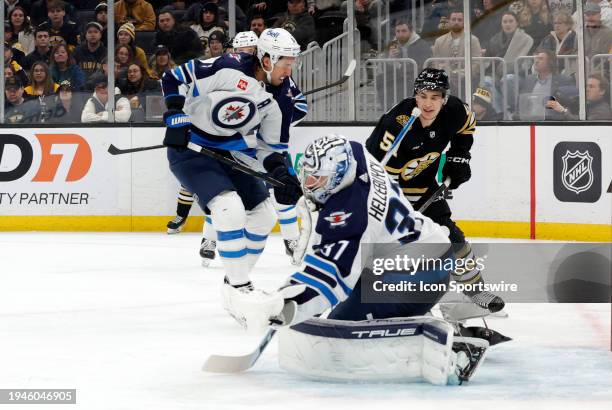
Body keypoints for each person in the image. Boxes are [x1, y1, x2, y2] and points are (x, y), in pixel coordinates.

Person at [219, 134, 490, 385]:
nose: (311, 185)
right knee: (352, 300)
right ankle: (411, 314)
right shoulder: (355, 153)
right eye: (309, 178)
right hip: (420, 253)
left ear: (338, 174)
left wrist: (284, 304)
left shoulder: (351, 216)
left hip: (416, 275)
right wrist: (302, 188)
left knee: (341, 328)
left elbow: (328, 280)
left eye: (318, 180)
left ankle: (453, 349)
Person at [160, 28, 303, 316]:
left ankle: (234, 285)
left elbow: (267, 149)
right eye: (285, 64)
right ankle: (241, 287)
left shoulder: (281, 100)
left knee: (263, 217)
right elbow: (172, 79)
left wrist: (280, 172)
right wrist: (175, 116)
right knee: (228, 208)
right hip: (190, 150)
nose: (289, 72)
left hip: (232, 153)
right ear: (266, 59)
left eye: (291, 65)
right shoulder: (227, 67)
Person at [365, 68, 505, 314]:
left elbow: (466, 129)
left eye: (435, 97)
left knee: (453, 239)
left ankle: (475, 290)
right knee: (393, 249)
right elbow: (373, 167)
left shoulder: (455, 111)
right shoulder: (395, 126)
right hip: (388, 191)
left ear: (444, 98)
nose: (428, 103)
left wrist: (459, 157)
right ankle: (383, 296)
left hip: (425, 188)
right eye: (423, 96)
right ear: (415, 97)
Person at [546, 74, 612, 120]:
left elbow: (583, 124)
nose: (587, 89)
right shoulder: (589, 104)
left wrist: (563, 111)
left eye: (591, 86)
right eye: (587, 86)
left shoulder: (602, 111)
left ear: (602, 91)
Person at [72, 22, 107, 87]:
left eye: (96, 32)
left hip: (100, 88)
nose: (92, 35)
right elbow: (73, 71)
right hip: (80, 88)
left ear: (100, 35)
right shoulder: (77, 51)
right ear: (85, 35)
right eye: (90, 32)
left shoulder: (106, 53)